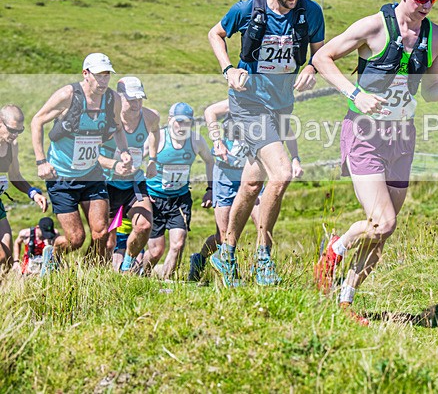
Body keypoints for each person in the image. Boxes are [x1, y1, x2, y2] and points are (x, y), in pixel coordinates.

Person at [311, 0, 438, 324]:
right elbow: (322, 57)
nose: (427, 5)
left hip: (402, 137)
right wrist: (355, 93)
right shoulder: (373, 27)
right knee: (381, 222)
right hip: (366, 135)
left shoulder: (437, 37)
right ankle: (334, 252)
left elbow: (430, 90)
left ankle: (345, 302)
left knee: (383, 232)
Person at [207, 0, 324, 286]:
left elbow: (319, 52)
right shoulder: (247, 9)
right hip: (248, 103)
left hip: (281, 106)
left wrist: (312, 68)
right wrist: (229, 70)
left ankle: (225, 253)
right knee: (282, 173)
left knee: (252, 182)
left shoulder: (310, 13)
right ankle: (263, 258)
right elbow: (215, 34)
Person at [31, 53, 133, 265]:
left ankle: (87, 273)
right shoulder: (68, 95)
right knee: (75, 239)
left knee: (101, 234)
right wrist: (41, 162)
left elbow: (117, 127)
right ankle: (53, 254)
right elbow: (37, 121)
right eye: (99, 75)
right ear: (86, 74)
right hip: (61, 176)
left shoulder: (112, 99)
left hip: (91, 173)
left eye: (107, 75)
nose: (103, 81)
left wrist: (124, 151)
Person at [187, 99, 303, 282]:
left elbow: (287, 131)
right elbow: (210, 111)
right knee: (223, 235)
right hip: (226, 175)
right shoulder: (238, 102)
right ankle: (200, 259)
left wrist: (295, 158)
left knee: (263, 225)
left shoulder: (268, 106)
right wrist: (217, 141)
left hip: (251, 172)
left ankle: (262, 267)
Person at [141, 103, 214, 280]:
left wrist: (210, 188)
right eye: (178, 122)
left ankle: (167, 281)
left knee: (178, 244)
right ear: (170, 120)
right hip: (154, 198)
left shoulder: (196, 140)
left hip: (179, 200)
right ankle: (142, 275)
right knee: (156, 250)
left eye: (187, 123)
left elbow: (210, 161)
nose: (182, 127)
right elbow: (135, 161)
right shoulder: (158, 139)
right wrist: (140, 190)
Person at [99, 77, 160, 273]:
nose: (136, 104)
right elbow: (90, 153)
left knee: (143, 226)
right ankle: (97, 276)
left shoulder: (150, 117)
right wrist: (113, 164)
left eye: (139, 99)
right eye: (131, 99)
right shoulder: (105, 121)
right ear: (120, 97)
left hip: (134, 181)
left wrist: (153, 159)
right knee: (106, 241)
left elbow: (155, 132)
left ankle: (128, 264)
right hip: (106, 183)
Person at [0, 104, 49, 269]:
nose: (15, 135)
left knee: (6, 260)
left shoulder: (12, 146)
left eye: (19, 131)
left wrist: (33, 193)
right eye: (12, 130)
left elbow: (15, 176)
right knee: (0, 256)